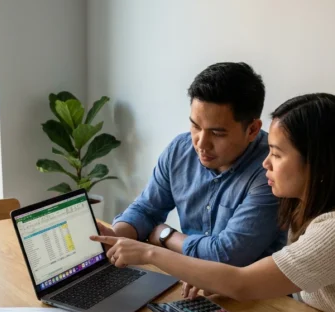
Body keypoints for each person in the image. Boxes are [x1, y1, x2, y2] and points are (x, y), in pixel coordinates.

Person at [92, 93, 335, 312]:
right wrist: (215, 280)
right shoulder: (311, 204)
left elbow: (243, 283)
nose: (265, 163)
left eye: (277, 154)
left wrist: (150, 251)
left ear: (317, 164)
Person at [99, 62, 286, 279]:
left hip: (252, 293)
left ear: (252, 129)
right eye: (195, 126)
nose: (201, 144)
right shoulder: (180, 150)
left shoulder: (271, 171)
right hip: (189, 280)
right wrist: (115, 237)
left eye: (217, 133)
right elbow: (146, 210)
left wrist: (165, 235)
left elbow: (226, 255)